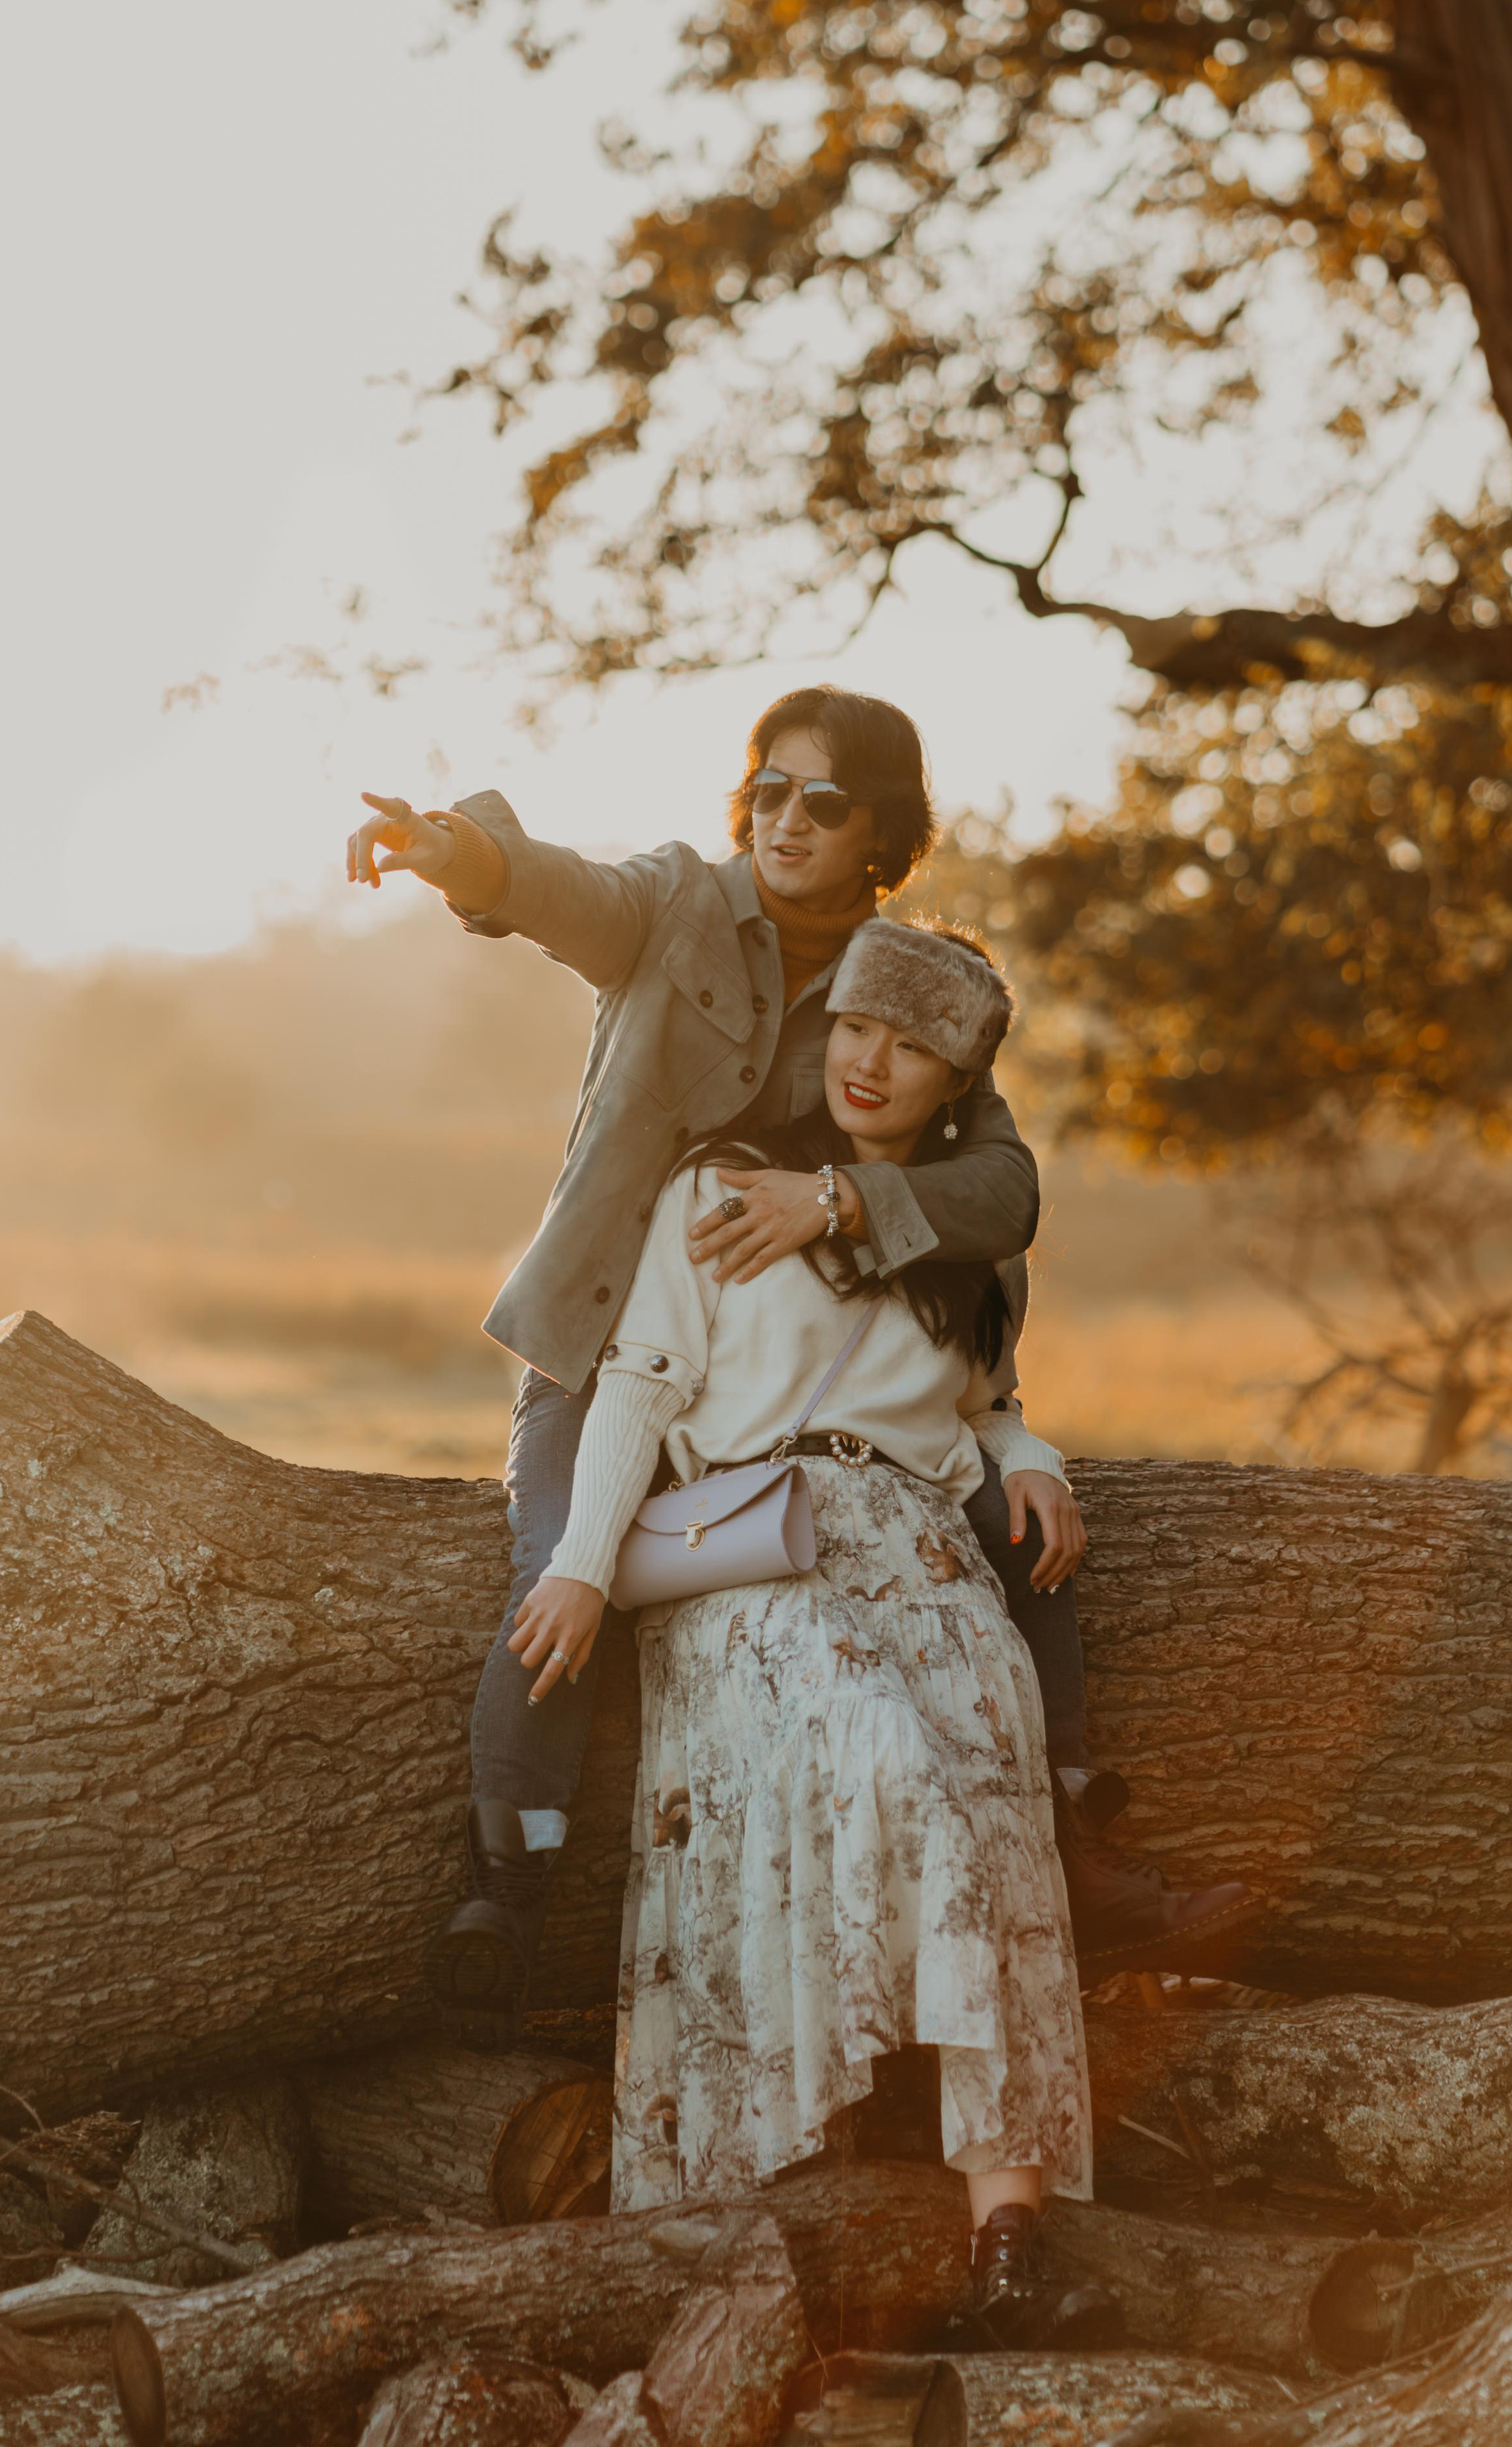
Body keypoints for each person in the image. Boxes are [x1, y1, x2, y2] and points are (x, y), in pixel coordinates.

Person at [346, 687, 1255, 2040]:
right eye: (768, 789)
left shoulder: (901, 986)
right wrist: (454, 853)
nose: (785, 819)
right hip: (610, 1342)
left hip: (771, 1381)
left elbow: (1002, 1191)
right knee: (562, 1571)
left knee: (1020, 1535)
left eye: (822, 801)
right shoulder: (674, 905)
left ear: (880, 827)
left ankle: (1080, 1848)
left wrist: (835, 1203)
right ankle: (508, 1901)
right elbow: (553, 889)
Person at [520, 917, 1116, 2343]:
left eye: (911, 1047)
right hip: (754, 1559)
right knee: (885, 1756)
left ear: (956, 1082)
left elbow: (981, 1406)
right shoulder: (718, 1186)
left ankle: (1008, 2235)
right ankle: (778, 2208)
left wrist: (1033, 1457)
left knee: (992, 1813)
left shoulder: (968, 1243)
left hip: (923, 1559)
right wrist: (583, 1564)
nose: (870, 1062)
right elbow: (642, 1383)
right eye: (856, 1027)